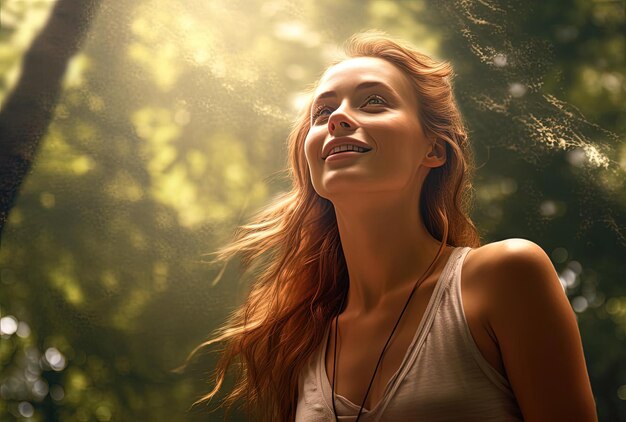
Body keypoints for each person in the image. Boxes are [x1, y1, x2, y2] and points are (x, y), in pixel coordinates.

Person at [185, 31, 598, 422]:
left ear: (433, 148)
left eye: (374, 102)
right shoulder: (299, 339)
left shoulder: (504, 277)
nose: (338, 119)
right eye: (323, 111)